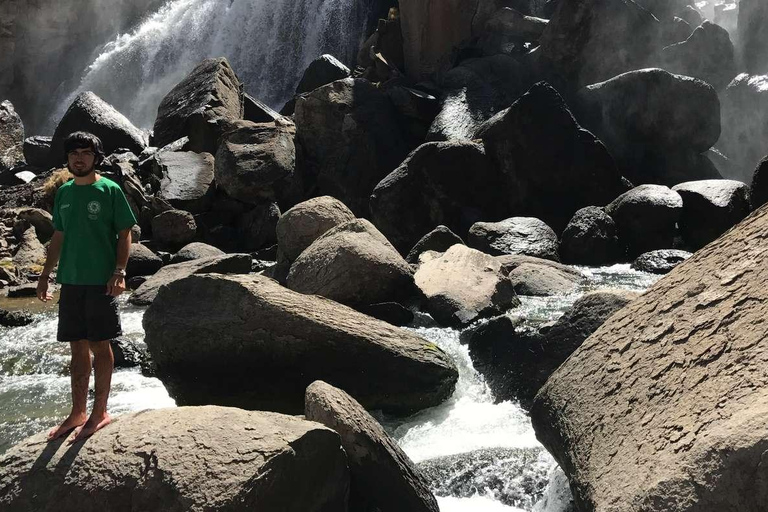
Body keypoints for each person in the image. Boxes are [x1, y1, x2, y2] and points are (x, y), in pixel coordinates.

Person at [36, 131, 137, 443]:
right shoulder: (64, 192)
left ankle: (100, 412)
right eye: (74, 153)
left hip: (100, 282)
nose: (79, 158)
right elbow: (58, 237)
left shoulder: (109, 190)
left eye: (86, 152)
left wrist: (119, 272)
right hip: (71, 280)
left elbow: (124, 233)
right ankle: (78, 412)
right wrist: (45, 275)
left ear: (97, 157)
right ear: (67, 159)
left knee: (100, 344)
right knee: (76, 345)